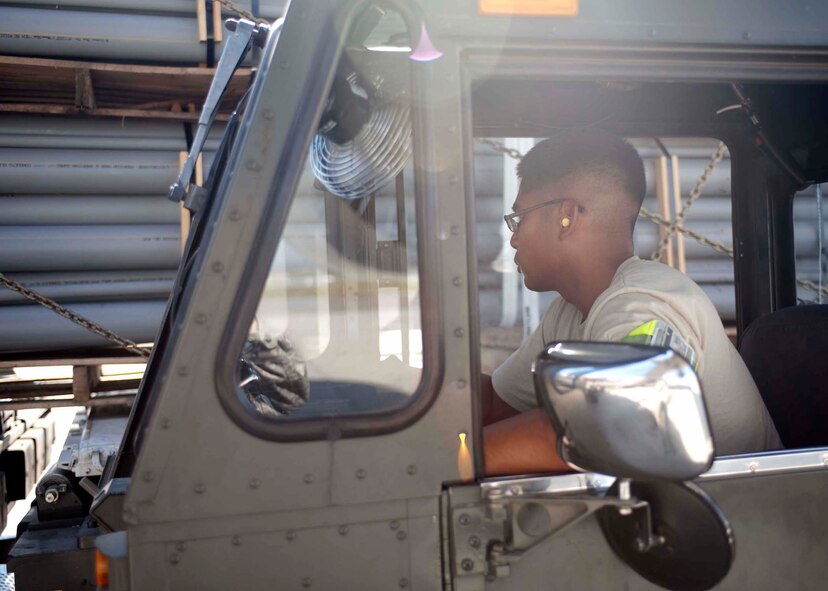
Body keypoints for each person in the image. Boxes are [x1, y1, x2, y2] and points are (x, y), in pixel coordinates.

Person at [482, 130, 782, 476]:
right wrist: (410, 390)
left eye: (520, 218)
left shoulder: (640, 304)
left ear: (566, 216)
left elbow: (623, 426)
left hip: (743, 518)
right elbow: (496, 404)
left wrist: (450, 460)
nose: (514, 238)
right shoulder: (569, 312)